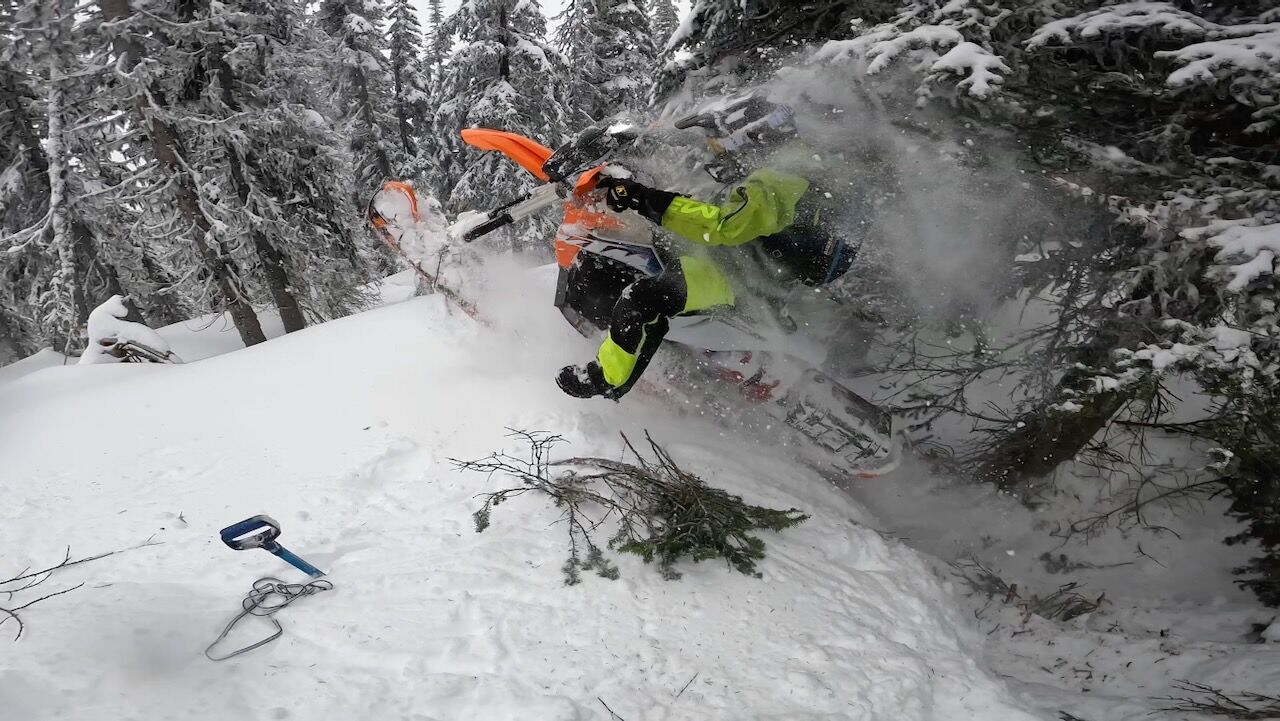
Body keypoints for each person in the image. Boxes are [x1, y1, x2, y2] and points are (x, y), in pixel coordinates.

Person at [555, 98, 857, 400]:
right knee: (655, 240)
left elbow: (724, 226)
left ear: (749, 138)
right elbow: (688, 147)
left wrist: (642, 198)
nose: (718, 153)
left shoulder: (776, 182)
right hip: (740, 257)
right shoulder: (783, 163)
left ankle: (606, 378)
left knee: (642, 299)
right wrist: (630, 140)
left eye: (721, 145)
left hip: (739, 274)